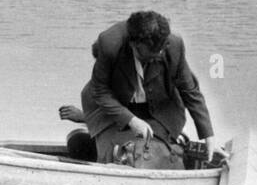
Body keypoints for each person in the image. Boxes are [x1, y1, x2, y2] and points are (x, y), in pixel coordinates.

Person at [76, 10, 217, 165]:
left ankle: (172, 141)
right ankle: (93, 142)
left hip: (156, 108)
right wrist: (131, 120)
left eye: (159, 53)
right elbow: (99, 91)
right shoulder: (110, 43)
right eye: (148, 56)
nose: (156, 57)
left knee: (154, 153)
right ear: (133, 44)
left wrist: (208, 136)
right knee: (114, 155)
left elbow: (190, 91)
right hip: (109, 107)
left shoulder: (174, 45)